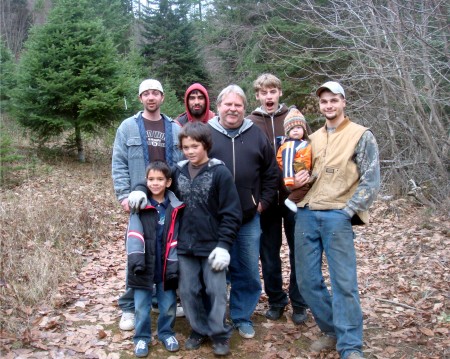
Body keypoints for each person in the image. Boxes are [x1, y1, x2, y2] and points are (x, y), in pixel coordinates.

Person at [294, 81, 380, 359]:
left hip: (337, 215)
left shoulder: (361, 135)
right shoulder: (313, 138)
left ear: (343, 101)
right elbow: (305, 175)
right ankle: (332, 329)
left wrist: (349, 211)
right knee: (306, 280)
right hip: (307, 213)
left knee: (344, 283)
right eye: (324, 102)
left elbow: (371, 179)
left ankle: (350, 345)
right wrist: (298, 182)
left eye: (333, 100)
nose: (328, 105)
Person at [112, 79, 183, 332]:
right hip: (139, 201)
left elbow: (183, 164)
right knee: (137, 254)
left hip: (168, 201)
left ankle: (159, 299)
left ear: (162, 97)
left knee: (166, 251)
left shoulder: (174, 127)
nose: (151, 97)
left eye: (155, 93)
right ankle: (129, 308)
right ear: (140, 98)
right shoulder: (128, 127)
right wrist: (123, 194)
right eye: (146, 93)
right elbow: (119, 162)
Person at [208, 85, 278, 339]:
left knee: (247, 269)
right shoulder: (207, 134)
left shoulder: (256, 134)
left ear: (244, 109)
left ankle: (241, 316)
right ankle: (215, 317)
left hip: (249, 218)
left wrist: (262, 204)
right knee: (216, 269)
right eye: (228, 104)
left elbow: (271, 174)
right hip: (215, 219)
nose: (233, 109)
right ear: (218, 107)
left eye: (238, 105)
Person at [171, 122, 242, 356]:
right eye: (185, 147)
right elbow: (155, 182)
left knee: (215, 290)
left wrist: (224, 245)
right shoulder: (177, 171)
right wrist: (140, 188)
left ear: (206, 145)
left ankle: (219, 334)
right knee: (188, 290)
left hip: (212, 245)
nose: (190, 151)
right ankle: (198, 329)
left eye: (195, 146)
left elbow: (232, 213)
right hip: (184, 245)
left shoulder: (219, 172)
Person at [247, 74, 310, 324]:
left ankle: (299, 302)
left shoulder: (294, 118)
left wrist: (308, 178)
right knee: (269, 253)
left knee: (299, 251)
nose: (269, 96)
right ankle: (276, 300)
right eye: (264, 92)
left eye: (273, 91)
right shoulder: (251, 122)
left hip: (294, 197)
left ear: (279, 93)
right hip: (266, 200)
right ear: (258, 96)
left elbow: (311, 149)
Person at [126, 161, 184, 357]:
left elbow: (177, 237)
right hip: (143, 264)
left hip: (167, 264)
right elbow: (134, 235)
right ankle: (141, 338)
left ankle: (166, 333)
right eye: (151, 179)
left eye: (160, 179)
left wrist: (176, 263)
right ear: (146, 181)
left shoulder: (175, 207)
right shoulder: (140, 206)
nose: (155, 183)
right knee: (142, 306)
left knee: (168, 304)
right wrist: (136, 261)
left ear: (168, 182)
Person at [276, 108, 312, 213]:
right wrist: (289, 180)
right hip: (295, 170)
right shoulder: (289, 144)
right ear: (288, 132)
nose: (295, 130)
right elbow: (287, 162)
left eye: (298, 127)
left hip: (303, 167)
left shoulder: (304, 142)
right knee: (306, 185)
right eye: (292, 129)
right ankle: (291, 200)